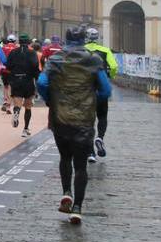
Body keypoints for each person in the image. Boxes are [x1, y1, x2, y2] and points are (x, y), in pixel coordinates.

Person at [37, 27, 112, 225]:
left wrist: (51, 99)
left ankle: (66, 192)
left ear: (65, 39)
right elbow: (106, 90)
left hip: (60, 117)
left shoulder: (55, 59)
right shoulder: (94, 60)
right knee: (81, 165)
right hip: (84, 119)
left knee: (65, 157)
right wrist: (92, 100)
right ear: (83, 39)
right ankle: (77, 208)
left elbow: (42, 83)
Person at [83, 27, 118, 162]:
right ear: (97, 38)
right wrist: (110, 76)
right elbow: (114, 66)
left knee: (87, 121)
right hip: (101, 88)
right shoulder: (104, 50)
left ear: (86, 37)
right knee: (102, 116)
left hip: (85, 90)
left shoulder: (81, 51)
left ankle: (90, 153)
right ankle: (100, 138)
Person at [6, 34, 41, 137]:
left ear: (19, 42)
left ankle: (16, 111)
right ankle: (25, 129)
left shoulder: (13, 52)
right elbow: (35, 66)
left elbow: (8, 66)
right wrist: (36, 77)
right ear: (29, 42)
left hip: (16, 80)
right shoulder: (32, 53)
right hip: (28, 80)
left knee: (17, 103)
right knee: (28, 106)